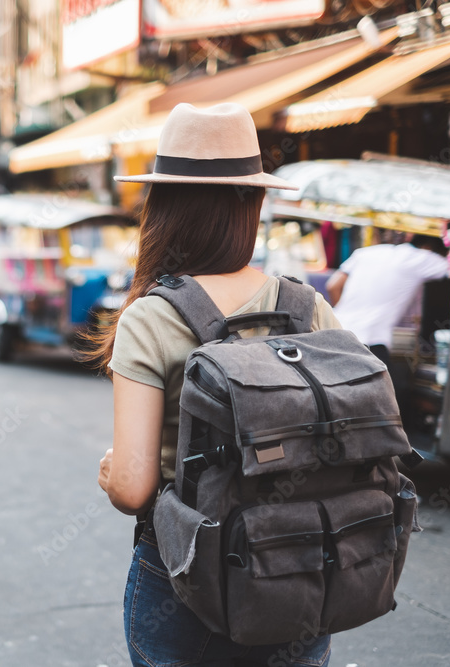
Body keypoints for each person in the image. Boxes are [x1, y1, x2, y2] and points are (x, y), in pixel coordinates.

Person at [90, 104, 341, 666]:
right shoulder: (308, 306)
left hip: (187, 575)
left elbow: (133, 489)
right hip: (300, 567)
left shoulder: (151, 317)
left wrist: (112, 472)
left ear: (163, 209)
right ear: (251, 203)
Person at [325, 235, 450, 365]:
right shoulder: (422, 258)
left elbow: (333, 285)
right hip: (370, 341)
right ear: (428, 247)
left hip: (336, 332)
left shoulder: (365, 253)